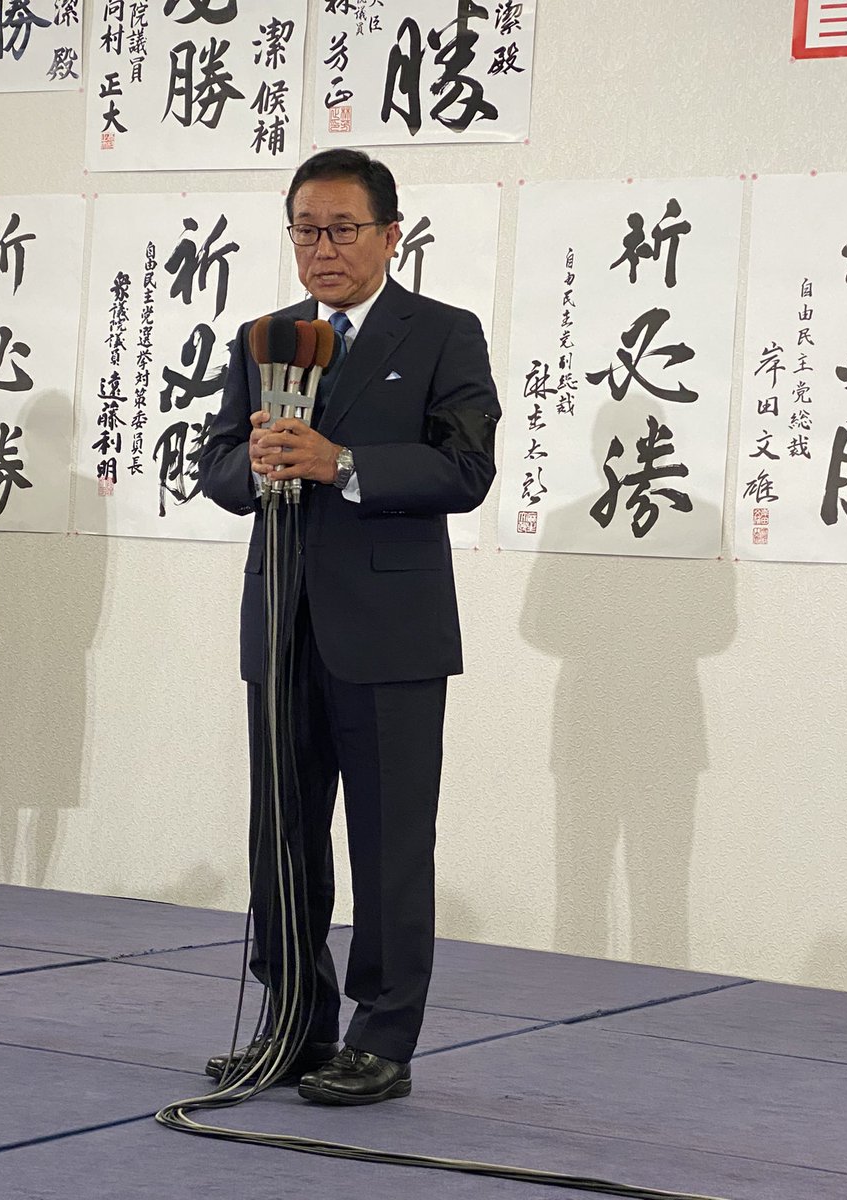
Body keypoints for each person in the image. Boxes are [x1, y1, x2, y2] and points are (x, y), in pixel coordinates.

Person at [198, 149, 500, 1105]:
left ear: (390, 235)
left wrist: (342, 463)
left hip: (391, 633)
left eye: (341, 229)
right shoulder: (266, 338)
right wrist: (257, 463)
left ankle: (381, 1038)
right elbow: (216, 466)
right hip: (280, 620)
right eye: (305, 230)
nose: (321, 249)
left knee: (388, 844)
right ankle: (294, 1023)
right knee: (281, 838)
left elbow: (466, 469)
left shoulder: (444, 332)